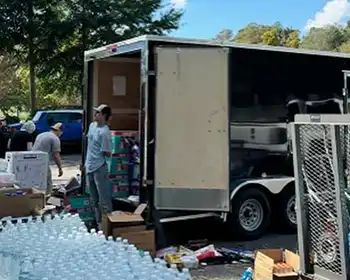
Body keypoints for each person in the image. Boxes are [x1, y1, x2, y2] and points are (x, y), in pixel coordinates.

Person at [85, 104, 112, 226]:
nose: (95, 114)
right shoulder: (92, 126)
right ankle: (98, 224)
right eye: (95, 112)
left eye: (98, 113)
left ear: (104, 115)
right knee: (93, 199)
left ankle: (107, 226)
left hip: (99, 167)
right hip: (89, 166)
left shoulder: (105, 132)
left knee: (104, 199)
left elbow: (107, 152)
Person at [32, 123, 63, 196]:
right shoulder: (55, 138)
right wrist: (60, 168)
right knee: (48, 181)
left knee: (35, 181)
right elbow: (56, 155)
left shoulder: (41, 135)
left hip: (32, 160)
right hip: (42, 162)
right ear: (59, 131)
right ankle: (47, 199)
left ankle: (34, 196)